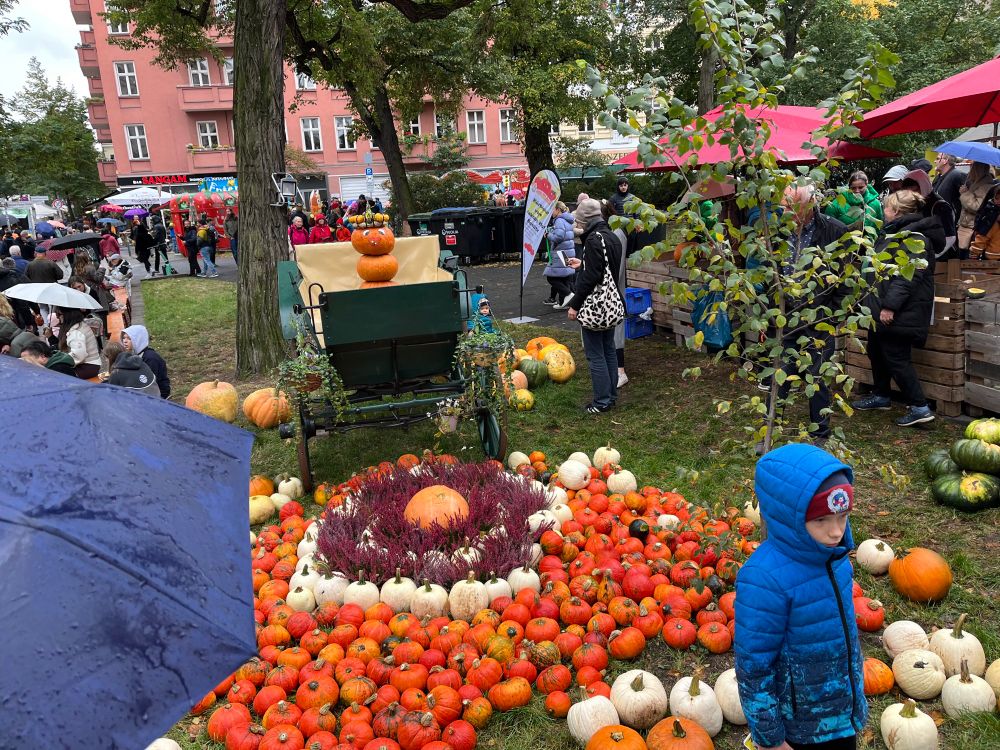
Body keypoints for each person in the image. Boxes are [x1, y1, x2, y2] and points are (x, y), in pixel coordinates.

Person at [735, 442, 866, 750]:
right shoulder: (764, 578)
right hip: (799, 726)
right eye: (821, 520)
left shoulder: (835, 559)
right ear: (787, 517)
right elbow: (754, 667)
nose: (836, 531)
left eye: (842, 516)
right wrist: (770, 739)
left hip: (841, 712)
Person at [769, 185, 852, 446]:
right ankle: (770, 428)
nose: (785, 211)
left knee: (817, 377)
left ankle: (819, 434)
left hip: (819, 318)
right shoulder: (777, 230)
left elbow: (847, 280)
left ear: (809, 205)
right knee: (779, 373)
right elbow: (766, 271)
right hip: (785, 315)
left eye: (791, 206)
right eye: (783, 206)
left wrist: (832, 317)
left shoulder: (834, 230)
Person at [852, 190, 941, 427]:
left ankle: (920, 407)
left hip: (900, 311)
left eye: (887, 207)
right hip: (880, 308)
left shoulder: (916, 238)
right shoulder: (893, 233)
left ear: (897, 211)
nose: (884, 211)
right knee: (876, 351)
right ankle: (881, 395)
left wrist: (890, 306)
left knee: (897, 358)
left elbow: (907, 276)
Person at [566, 198, 624, 414]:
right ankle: (611, 396)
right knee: (609, 350)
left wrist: (575, 304)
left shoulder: (592, 240)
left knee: (595, 354)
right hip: (610, 305)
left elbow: (590, 278)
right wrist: (585, 263)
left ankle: (601, 401)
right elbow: (606, 269)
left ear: (586, 220)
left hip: (595, 307)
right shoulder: (612, 236)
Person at [602, 199, 630, 388]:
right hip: (610, 289)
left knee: (616, 332)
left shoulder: (616, 234)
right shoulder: (613, 232)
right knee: (610, 332)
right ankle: (614, 368)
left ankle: (621, 371)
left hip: (614, 291)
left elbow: (616, 267)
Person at [901, 168, 956, 258]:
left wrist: (933, 256)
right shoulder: (917, 204)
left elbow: (950, 237)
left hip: (940, 259)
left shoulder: (940, 206)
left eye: (914, 191)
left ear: (923, 186)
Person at [824, 171, 883, 237]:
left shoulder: (875, 204)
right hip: (843, 244)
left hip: (869, 245)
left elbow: (878, 228)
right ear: (849, 187)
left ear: (866, 185)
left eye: (861, 187)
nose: (857, 191)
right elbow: (828, 229)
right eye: (853, 188)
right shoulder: (836, 204)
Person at [957, 162, 996, 255]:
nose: (970, 170)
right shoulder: (974, 182)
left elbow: (976, 206)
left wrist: (965, 193)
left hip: (972, 228)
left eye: (972, 168)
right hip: (966, 226)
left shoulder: (986, 185)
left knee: (966, 257)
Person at [121, 324, 170, 399]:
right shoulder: (137, 354)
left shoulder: (150, 358)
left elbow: (149, 382)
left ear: (138, 339)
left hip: (158, 394)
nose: (125, 341)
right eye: (124, 338)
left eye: (129, 338)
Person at [543, 201, 576, 307]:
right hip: (567, 251)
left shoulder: (559, 221)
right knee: (565, 277)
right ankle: (563, 302)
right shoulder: (567, 220)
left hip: (560, 252)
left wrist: (548, 235)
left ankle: (568, 294)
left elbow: (558, 237)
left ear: (557, 210)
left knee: (551, 278)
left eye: (552, 210)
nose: (551, 213)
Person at [57, 306, 102, 379]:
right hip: (91, 364)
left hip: (88, 366)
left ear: (67, 315)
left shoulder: (76, 332)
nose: (58, 317)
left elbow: (78, 355)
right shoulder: (80, 324)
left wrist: (62, 360)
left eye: (59, 314)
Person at [931, 152, 966, 223]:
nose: (935, 161)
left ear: (945, 160)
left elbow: (965, 199)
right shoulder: (938, 177)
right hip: (938, 220)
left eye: (938, 159)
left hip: (951, 222)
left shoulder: (958, 175)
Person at [971, 184, 1000, 260]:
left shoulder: (991, 214)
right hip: (993, 256)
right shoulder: (991, 214)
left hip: (993, 255)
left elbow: (982, 236)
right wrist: (975, 251)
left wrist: (975, 251)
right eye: (997, 198)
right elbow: (983, 235)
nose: (998, 201)